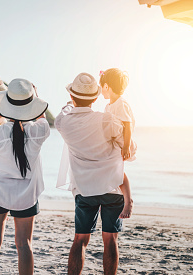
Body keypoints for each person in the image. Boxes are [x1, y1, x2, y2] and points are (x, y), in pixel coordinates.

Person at [55, 72, 132, 275]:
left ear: (72, 97)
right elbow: (128, 147)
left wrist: (70, 104)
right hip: (111, 187)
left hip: (84, 189)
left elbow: (64, 112)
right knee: (110, 239)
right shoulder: (106, 120)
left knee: (80, 239)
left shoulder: (63, 123)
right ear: (96, 98)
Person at [0, 78, 49, 275]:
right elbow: (41, 117)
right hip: (26, 197)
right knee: (24, 245)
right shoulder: (39, 131)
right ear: (32, 104)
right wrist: (36, 98)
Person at [100, 68, 137, 219]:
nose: (100, 90)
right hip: (114, 142)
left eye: (101, 86)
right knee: (113, 170)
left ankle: (128, 201)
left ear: (107, 86)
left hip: (122, 143)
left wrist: (126, 146)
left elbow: (127, 126)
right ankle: (111, 194)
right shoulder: (109, 105)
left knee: (119, 171)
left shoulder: (121, 103)